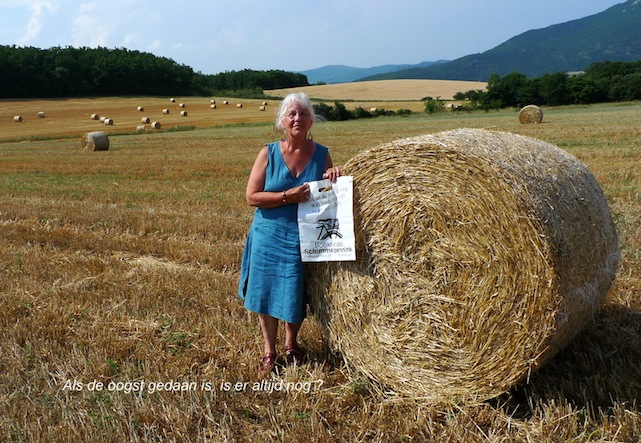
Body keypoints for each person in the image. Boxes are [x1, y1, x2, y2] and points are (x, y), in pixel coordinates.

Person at [238, 92, 341, 373]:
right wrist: (286, 196)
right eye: (292, 114)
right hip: (268, 234)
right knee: (267, 293)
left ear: (311, 121)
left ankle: (291, 343)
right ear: (283, 121)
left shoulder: (321, 154)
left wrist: (335, 175)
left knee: (295, 291)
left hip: (303, 236)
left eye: (303, 114)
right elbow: (252, 197)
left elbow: (332, 195)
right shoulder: (268, 152)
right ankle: (269, 352)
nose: (298, 118)